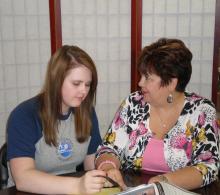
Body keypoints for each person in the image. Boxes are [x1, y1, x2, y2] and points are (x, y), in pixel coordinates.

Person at [95, 38, 220, 190]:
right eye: (142, 75)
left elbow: (208, 166)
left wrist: (163, 182)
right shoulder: (133, 103)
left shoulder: (202, 111)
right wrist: (108, 168)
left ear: (171, 83)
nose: (140, 83)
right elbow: (108, 149)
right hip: (132, 191)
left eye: (148, 78)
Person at [6, 45, 107, 194]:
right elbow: (23, 178)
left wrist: (106, 172)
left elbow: (91, 166)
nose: (84, 91)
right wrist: (77, 186)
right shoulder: (24, 115)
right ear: (56, 81)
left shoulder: (87, 112)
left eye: (88, 84)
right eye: (76, 83)